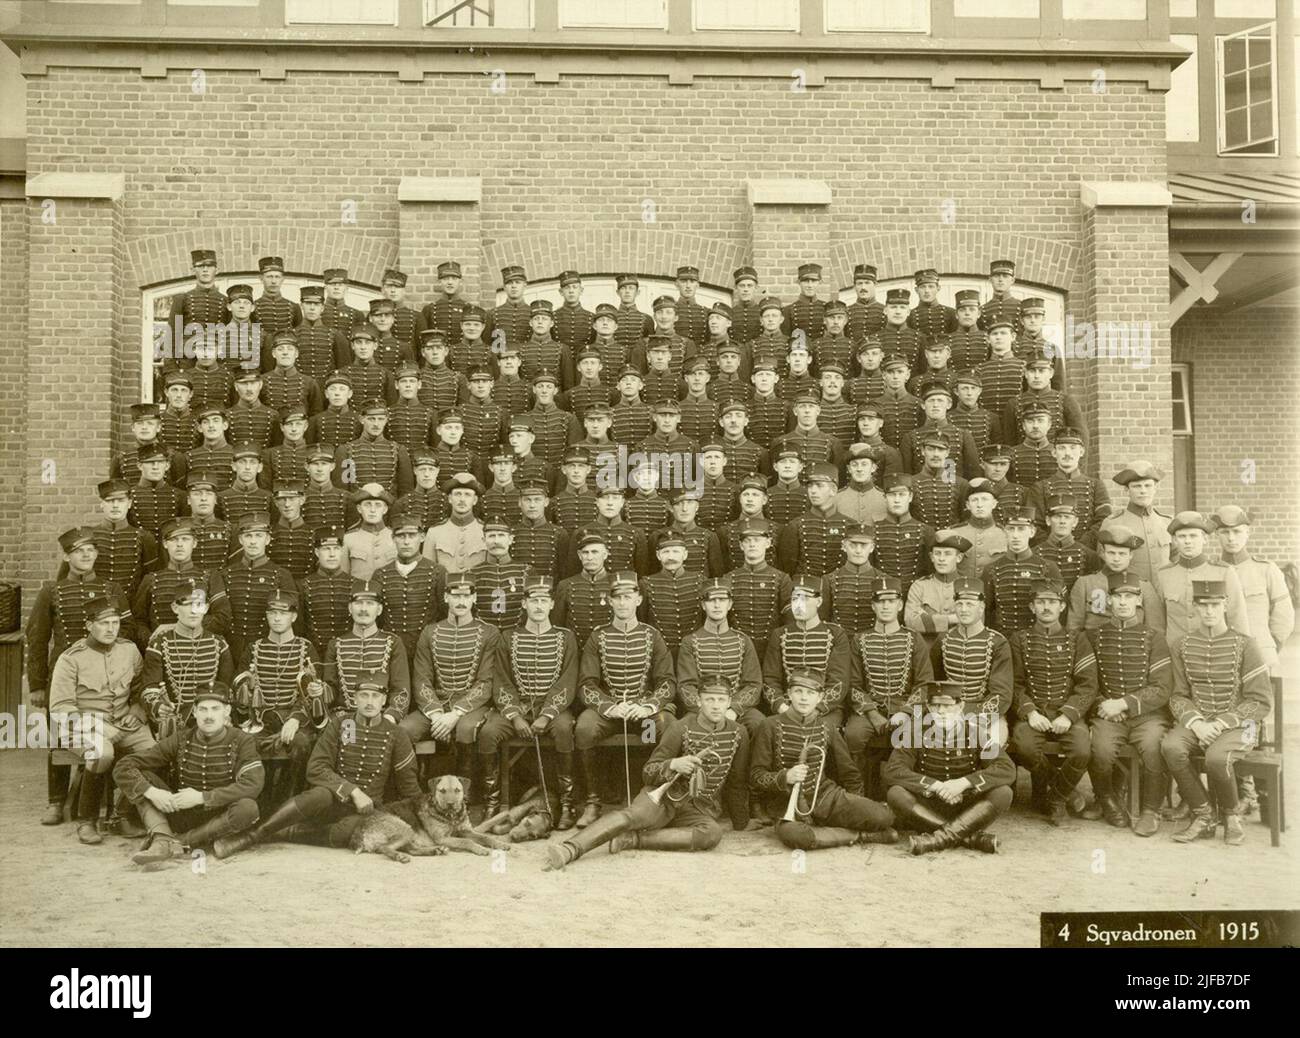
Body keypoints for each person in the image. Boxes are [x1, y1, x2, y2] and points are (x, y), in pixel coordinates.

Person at [544, 675, 751, 870]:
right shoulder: (680, 728)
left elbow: (737, 780)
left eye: (721, 700)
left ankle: (632, 840)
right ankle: (569, 849)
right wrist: (672, 764)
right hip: (662, 799)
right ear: (699, 701)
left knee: (712, 834)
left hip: (699, 808)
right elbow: (649, 771)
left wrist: (742, 821)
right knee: (632, 816)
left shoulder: (738, 732)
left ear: (729, 701)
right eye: (710, 699)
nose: (716, 705)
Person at [212, 672, 420, 859]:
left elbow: (409, 786)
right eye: (364, 695)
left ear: (384, 700)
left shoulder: (396, 734)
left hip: (365, 809)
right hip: (333, 799)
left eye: (375, 696)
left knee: (347, 834)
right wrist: (352, 790)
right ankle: (252, 836)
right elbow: (317, 767)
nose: (369, 702)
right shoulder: (342, 724)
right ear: (355, 699)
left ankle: (278, 833)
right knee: (317, 795)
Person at [1161, 580, 1272, 846]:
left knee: (1216, 757)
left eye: (1215, 605)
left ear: (1225, 606)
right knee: (1171, 746)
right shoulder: (1182, 645)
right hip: (1198, 721)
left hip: (1238, 724)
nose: (1209, 611)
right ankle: (1204, 814)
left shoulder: (1246, 644)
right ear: (1195, 608)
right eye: (1203, 605)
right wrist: (1197, 723)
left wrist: (1221, 723)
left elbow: (1260, 700)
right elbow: (1177, 695)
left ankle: (1231, 816)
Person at [117, 680, 264, 865]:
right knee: (143, 778)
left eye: (215, 709)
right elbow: (124, 766)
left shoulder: (242, 740)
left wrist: (203, 797)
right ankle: (162, 839)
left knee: (248, 808)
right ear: (194, 712)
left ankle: (182, 842)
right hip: (180, 811)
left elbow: (253, 784)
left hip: (220, 815)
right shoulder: (181, 738)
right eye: (203, 709)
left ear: (227, 711)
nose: (208, 716)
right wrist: (153, 792)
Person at [749, 669, 897, 850]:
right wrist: (785, 776)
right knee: (796, 836)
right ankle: (860, 836)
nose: (804, 698)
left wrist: (855, 807)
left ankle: (835, 831)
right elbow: (756, 775)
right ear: (789, 694)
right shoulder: (769, 725)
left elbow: (849, 772)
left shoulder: (827, 726)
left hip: (826, 796)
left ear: (819, 698)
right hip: (786, 802)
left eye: (810, 693)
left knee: (884, 816)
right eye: (798, 691)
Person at [573, 571, 677, 827]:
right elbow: (587, 684)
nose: (622, 603)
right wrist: (611, 707)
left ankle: (655, 797)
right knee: (585, 728)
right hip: (609, 714)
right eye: (617, 597)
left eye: (627, 597)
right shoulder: (598, 636)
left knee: (665, 726)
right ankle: (593, 801)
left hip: (644, 716)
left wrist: (647, 706)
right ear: (609, 601)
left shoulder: (652, 635)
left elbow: (667, 682)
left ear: (638, 600)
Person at [48, 596, 150, 845]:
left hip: (125, 723)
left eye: (115, 623)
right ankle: (87, 821)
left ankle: (120, 815)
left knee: (153, 752)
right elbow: (60, 708)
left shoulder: (129, 650)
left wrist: (137, 708)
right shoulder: (71, 658)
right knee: (101, 752)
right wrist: (99, 727)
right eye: (104, 623)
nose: (111, 629)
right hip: (81, 726)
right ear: (88, 625)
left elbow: (140, 688)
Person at [482, 577, 580, 829]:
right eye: (533, 601)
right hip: (516, 708)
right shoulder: (508, 637)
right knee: (489, 732)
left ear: (551, 605)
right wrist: (515, 716)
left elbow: (567, 681)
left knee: (563, 729)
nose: (538, 606)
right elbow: (502, 680)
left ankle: (567, 803)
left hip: (552, 709)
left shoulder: (565, 637)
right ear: (524, 604)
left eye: (543, 601)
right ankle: (492, 802)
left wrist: (546, 715)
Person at [1083, 570, 1173, 836]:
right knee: (1098, 749)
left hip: (1147, 715)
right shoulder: (1095, 636)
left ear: (1138, 601)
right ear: (1108, 600)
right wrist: (1103, 705)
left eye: (1128, 596)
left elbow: (1162, 687)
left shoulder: (1153, 637)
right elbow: (1088, 682)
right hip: (1107, 713)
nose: (1122, 602)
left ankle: (1150, 810)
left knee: (1154, 747)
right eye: (1117, 596)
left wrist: (1124, 703)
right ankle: (1108, 800)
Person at [883, 680, 1015, 855]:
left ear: (960, 707)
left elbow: (1006, 768)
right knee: (896, 794)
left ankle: (937, 839)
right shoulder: (914, 733)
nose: (941, 712)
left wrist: (964, 783)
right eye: (935, 705)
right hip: (929, 805)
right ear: (928, 708)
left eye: (948, 706)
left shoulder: (976, 732)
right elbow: (894, 770)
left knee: (1004, 793)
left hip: (966, 804)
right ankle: (970, 838)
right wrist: (935, 786)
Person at [1007, 580, 1098, 826]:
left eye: (1052, 602)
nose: (1046, 607)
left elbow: (1087, 685)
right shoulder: (1019, 639)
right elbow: (1014, 684)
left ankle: (1055, 798)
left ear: (1062, 607)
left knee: (1081, 750)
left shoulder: (1077, 639)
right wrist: (1030, 713)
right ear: (1032, 607)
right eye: (1040, 602)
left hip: (1067, 713)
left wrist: (1068, 715)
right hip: (1034, 712)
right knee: (1024, 746)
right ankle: (1064, 791)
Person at [404, 574, 502, 793]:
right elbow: (422, 678)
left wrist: (455, 713)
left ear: (474, 598)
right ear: (446, 597)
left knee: (467, 729)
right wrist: (437, 714)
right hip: (434, 705)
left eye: (466, 596)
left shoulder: (489, 633)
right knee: (405, 729)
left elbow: (486, 681)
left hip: (470, 706)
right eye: (455, 595)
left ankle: (465, 796)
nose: (461, 601)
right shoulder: (430, 632)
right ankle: (414, 793)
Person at [845, 575, 934, 800]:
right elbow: (854, 684)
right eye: (880, 602)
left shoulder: (914, 639)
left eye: (891, 601)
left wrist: (905, 713)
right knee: (854, 735)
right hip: (868, 709)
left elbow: (924, 684)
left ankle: (907, 795)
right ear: (873, 606)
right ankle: (860, 794)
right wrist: (872, 714)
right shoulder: (860, 639)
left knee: (913, 735)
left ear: (900, 605)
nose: (885, 606)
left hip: (905, 707)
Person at [231, 589, 323, 801]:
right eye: (272, 613)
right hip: (260, 720)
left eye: (283, 613)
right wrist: (248, 689)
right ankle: (259, 804)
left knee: (300, 743)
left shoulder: (306, 648)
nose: (277, 618)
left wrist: (295, 719)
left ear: (294, 616)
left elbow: (312, 692)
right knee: (245, 743)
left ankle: (288, 801)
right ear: (266, 616)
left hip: (295, 720)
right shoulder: (254, 648)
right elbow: (237, 691)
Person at [761, 576, 853, 728]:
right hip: (788, 706)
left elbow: (839, 680)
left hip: (826, 710)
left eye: (805, 599)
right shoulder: (779, 634)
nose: (798, 605)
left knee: (821, 730)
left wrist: (817, 709)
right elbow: (770, 678)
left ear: (819, 601)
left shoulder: (835, 634)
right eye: (795, 599)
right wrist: (783, 707)